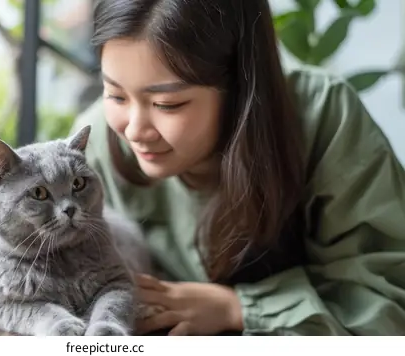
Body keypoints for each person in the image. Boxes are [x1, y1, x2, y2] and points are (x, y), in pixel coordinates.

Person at [68, 0, 405, 336]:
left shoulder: (323, 116)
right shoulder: (89, 150)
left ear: (239, 86)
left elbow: (388, 307)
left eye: (166, 104)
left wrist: (237, 309)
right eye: (115, 95)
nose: (134, 130)